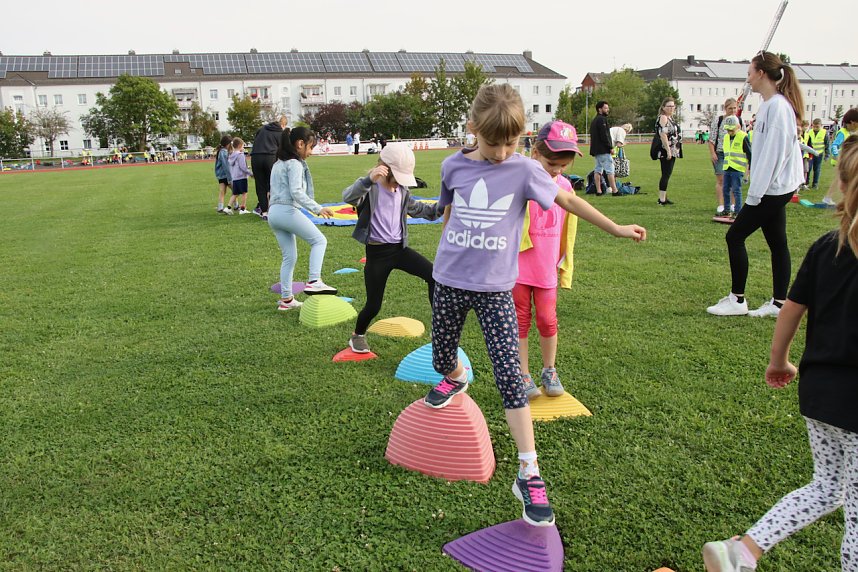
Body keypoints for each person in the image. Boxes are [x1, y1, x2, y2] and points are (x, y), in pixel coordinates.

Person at [422, 84, 646, 527]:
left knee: (510, 377)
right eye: (492, 142)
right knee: (440, 357)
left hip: (495, 290)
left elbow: (568, 199)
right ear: (473, 131)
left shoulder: (524, 170)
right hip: (448, 280)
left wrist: (615, 227)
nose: (502, 151)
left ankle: (529, 471)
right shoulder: (452, 166)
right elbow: (448, 211)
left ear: (522, 135)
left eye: (510, 142)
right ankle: (457, 376)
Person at [702, 135, 858, 572]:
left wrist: (779, 360)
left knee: (828, 487)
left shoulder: (828, 246)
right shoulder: (833, 246)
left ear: (842, 187)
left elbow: (790, 308)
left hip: (821, 394)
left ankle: (744, 550)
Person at [515, 120, 643, 399]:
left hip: (546, 265)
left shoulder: (564, 186)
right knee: (520, 320)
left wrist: (617, 229)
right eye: (552, 164)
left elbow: (572, 209)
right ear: (535, 153)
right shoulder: (521, 178)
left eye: (563, 165)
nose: (558, 171)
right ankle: (522, 374)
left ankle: (549, 370)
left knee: (548, 320)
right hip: (518, 265)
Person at [706, 51, 805, 318]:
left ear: (761, 73)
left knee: (735, 236)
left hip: (772, 190)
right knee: (777, 241)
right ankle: (779, 303)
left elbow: (774, 154)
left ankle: (737, 300)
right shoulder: (771, 105)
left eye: (749, 72)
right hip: (775, 188)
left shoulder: (778, 107)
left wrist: (754, 196)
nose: (747, 79)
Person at [342, 143, 443, 354]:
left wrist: (442, 207)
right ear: (384, 168)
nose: (399, 182)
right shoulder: (371, 189)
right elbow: (349, 197)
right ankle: (357, 335)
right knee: (374, 305)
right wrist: (369, 179)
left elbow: (421, 210)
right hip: (377, 255)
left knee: (434, 276)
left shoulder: (402, 191)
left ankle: (439, 329)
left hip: (399, 250)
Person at [268, 127, 338, 311]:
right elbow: (296, 191)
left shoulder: (277, 163)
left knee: (289, 257)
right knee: (319, 240)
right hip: (286, 210)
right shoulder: (294, 164)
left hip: (273, 213)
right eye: (310, 147)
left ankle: (286, 300)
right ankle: (314, 280)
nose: (311, 152)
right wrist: (318, 208)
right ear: (300, 144)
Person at [251, 115, 288, 220]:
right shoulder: (280, 133)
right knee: (273, 184)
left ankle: (264, 212)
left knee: (260, 185)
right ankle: (273, 209)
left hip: (255, 157)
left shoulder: (261, 129)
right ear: (283, 125)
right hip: (270, 157)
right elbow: (282, 150)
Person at [710, 98, 740, 215]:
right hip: (720, 153)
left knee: (734, 180)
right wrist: (712, 153)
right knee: (721, 179)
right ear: (725, 108)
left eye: (734, 108)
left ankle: (732, 204)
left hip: (734, 154)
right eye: (730, 108)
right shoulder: (719, 121)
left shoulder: (738, 121)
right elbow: (712, 139)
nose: (732, 110)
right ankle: (721, 205)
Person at [822, 109, 858, 206]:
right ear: (852, 123)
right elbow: (834, 145)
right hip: (843, 161)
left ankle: (831, 198)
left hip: (849, 161)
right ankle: (829, 198)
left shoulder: (851, 132)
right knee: (841, 180)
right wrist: (837, 157)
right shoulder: (842, 132)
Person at [720, 115, 752, 217]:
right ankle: (727, 209)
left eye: (731, 130)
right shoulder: (725, 138)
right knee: (725, 189)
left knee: (736, 190)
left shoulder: (743, 136)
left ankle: (738, 212)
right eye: (728, 130)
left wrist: (749, 169)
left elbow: (749, 153)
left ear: (738, 126)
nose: (729, 132)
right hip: (727, 167)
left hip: (737, 169)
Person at [589, 101, 620, 196]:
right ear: (600, 109)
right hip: (603, 150)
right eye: (606, 108)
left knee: (598, 170)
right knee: (610, 170)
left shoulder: (594, 120)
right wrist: (610, 147)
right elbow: (604, 135)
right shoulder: (602, 120)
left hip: (596, 150)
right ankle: (615, 191)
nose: (608, 110)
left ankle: (599, 191)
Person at [655, 97, 682, 206]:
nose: (671, 108)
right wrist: (668, 151)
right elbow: (663, 134)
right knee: (666, 174)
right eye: (669, 106)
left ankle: (664, 197)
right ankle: (662, 199)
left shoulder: (670, 118)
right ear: (663, 107)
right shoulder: (663, 118)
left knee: (666, 173)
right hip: (667, 150)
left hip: (673, 149)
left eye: (672, 106)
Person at [227, 137, 253, 215]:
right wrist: (250, 173)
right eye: (243, 146)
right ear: (239, 146)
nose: (243, 148)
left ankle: (228, 207)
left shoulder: (231, 155)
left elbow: (237, 166)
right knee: (244, 193)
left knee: (235, 193)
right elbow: (242, 167)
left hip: (235, 177)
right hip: (241, 177)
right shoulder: (240, 155)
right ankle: (242, 208)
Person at [804, 118, 829, 190]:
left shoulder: (824, 133)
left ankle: (815, 184)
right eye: (814, 126)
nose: (815, 128)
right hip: (810, 154)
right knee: (808, 168)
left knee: (817, 169)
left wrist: (827, 155)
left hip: (819, 154)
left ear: (821, 126)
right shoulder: (809, 132)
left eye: (817, 127)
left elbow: (827, 144)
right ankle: (806, 183)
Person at [214, 135, 233, 214]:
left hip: (220, 175)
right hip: (226, 175)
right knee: (235, 190)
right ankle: (235, 205)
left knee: (222, 191)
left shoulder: (220, 151)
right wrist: (229, 178)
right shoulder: (224, 152)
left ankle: (220, 207)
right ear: (228, 144)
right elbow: (226, 166)